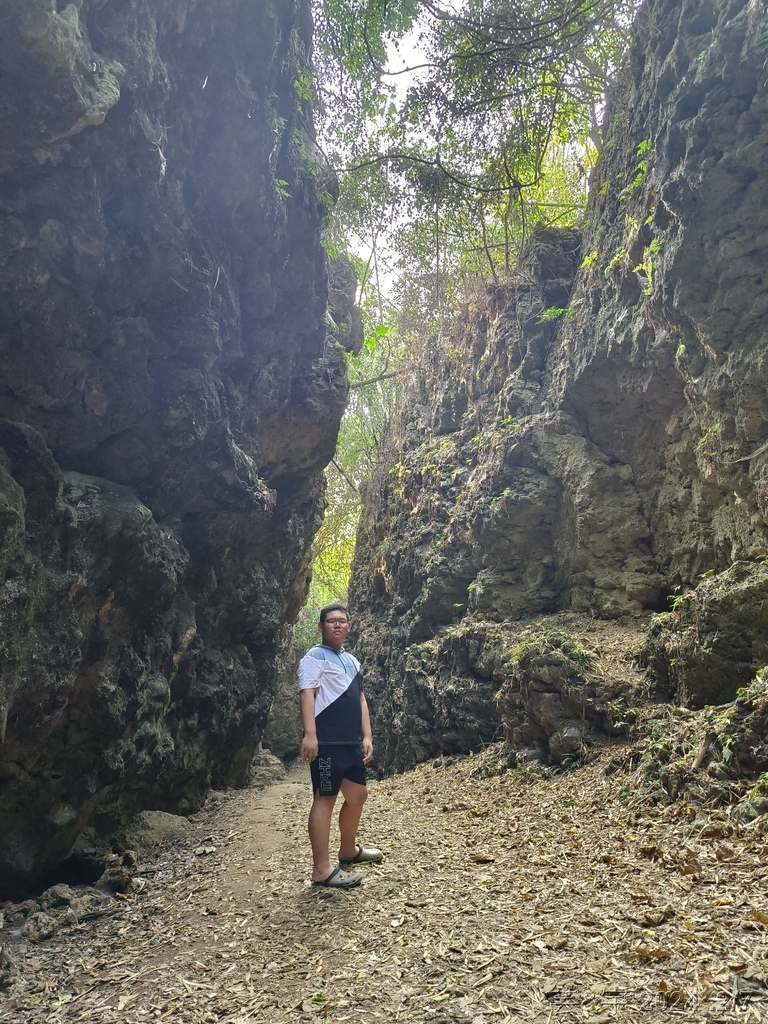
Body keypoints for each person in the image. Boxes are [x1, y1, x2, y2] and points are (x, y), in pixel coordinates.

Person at [297, 603, 382, 888]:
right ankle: (321, 870)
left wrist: (367, 736)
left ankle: (348, 850)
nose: (336, 625)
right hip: (327, 743)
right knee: (325, 799)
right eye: (330, 621)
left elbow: (360, 700)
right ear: (320, 627)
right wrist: (310, 734)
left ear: (349, 626)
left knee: (358, 795)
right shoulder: (314, 657)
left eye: (342, 621)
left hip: (350, 743)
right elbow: (307, 693)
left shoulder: (353, 661)